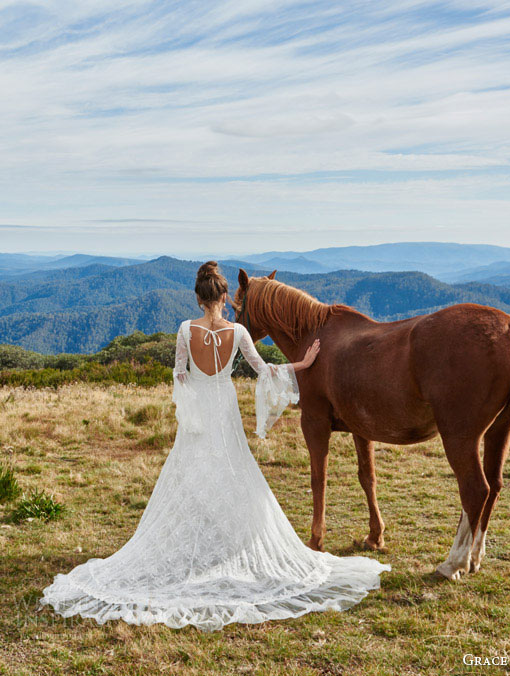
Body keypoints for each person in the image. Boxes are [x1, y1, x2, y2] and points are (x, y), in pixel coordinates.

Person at [38, 261, 389, 631]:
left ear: (197, 298)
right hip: (224, 410)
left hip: (199, 412)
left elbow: (179, 374)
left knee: (190, 468)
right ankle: (229, 542)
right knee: (233, 469)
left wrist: (189, 404)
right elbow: (264, 369)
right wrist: (304, 362)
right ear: (225, 297)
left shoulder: (184, 330)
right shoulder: (237, 332)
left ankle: (199, 537)